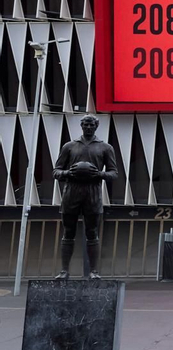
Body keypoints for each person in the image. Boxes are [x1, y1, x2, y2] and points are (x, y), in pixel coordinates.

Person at [53, 116, 120, 280]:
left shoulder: (105, 147)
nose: (88, 127)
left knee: (92, 232)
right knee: (68, 232)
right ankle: (64, 271)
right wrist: (68, 173)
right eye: (85, 124)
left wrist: (99, 174)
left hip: (93, 192)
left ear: (96, 126)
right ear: (81, 126)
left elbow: (114, 173)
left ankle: (94, 271)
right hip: (72, 192)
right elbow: (56, 171)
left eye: (91, 124)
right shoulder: (69, 146)